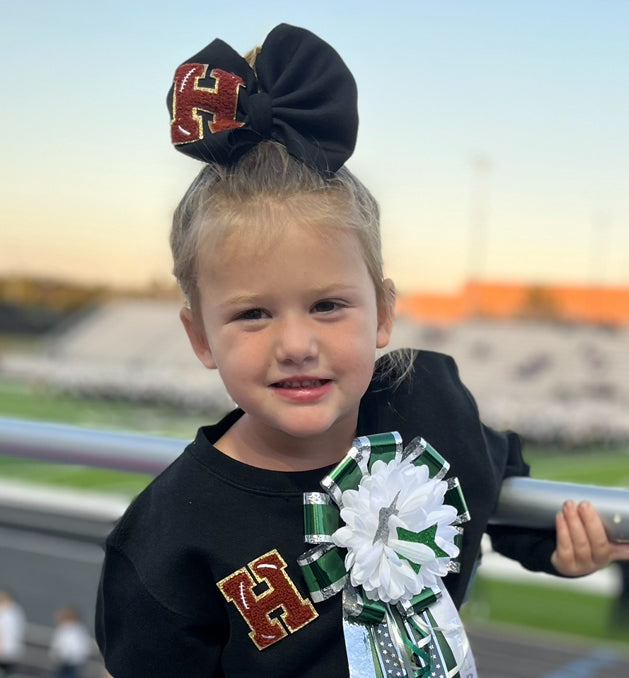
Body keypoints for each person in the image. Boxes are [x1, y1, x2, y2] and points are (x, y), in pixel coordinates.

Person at [95, 23, 629, 678]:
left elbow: (496, 486)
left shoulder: (429, 407)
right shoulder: (168, 537)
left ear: (384, 313)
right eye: (253, 314)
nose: (296, 345)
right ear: (200, 337)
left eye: (327, 305)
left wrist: (558, 549)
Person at [49, 607, 92, 678]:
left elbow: (75, 648)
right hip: (65, 663)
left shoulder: (72, 630)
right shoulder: (76, 629)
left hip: (71, 664)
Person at [0, 591, 25, 678]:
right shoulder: (16, 612)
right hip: (14, 650)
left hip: (4, 651)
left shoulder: (5, 613)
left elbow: (3, 632)